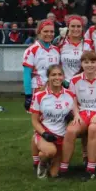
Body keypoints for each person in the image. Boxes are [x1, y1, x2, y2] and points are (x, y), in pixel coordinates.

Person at [61, 51, 96, 180]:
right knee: (70, 131)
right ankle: (64, 168)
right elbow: (73, 100)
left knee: (93, 129)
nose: (89, 65)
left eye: (92, 62)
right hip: (82, 113)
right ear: (81, 64)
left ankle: (90, 169)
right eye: (86, 62)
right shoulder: (75, 80)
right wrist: (76, 114)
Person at [23, 20, 61, 171]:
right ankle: (36, 160)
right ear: (39, 32)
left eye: (51, 31)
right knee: (38, 125)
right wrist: (27, 95)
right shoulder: (32, 50)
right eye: (45, 31)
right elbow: (26, 73)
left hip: (53, 90)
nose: (49, 34)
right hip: (38, 90)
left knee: (50, 120)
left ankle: (46, 154)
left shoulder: (55, 50)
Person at [30, 64, 76, 179]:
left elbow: (76, 114)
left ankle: (50, 160)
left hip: (62, 137)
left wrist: (71, 116)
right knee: (49, 152)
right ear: (48, 77)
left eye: (60, 75)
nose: (57, 77)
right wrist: (44, 133)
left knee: (55, 174)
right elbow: (35, 121)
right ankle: (43, 163)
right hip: (46, 133)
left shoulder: (70, 95)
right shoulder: (39, 96)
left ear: (64, 77)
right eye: (53, 75)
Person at [58, 15, 93, 80]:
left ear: (82, 27)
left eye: (79, 26)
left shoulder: (89, 43)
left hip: (84, 82)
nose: (76, 29)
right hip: (65, 84)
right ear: (68, 27)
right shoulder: (61, 43)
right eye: (73, 26)